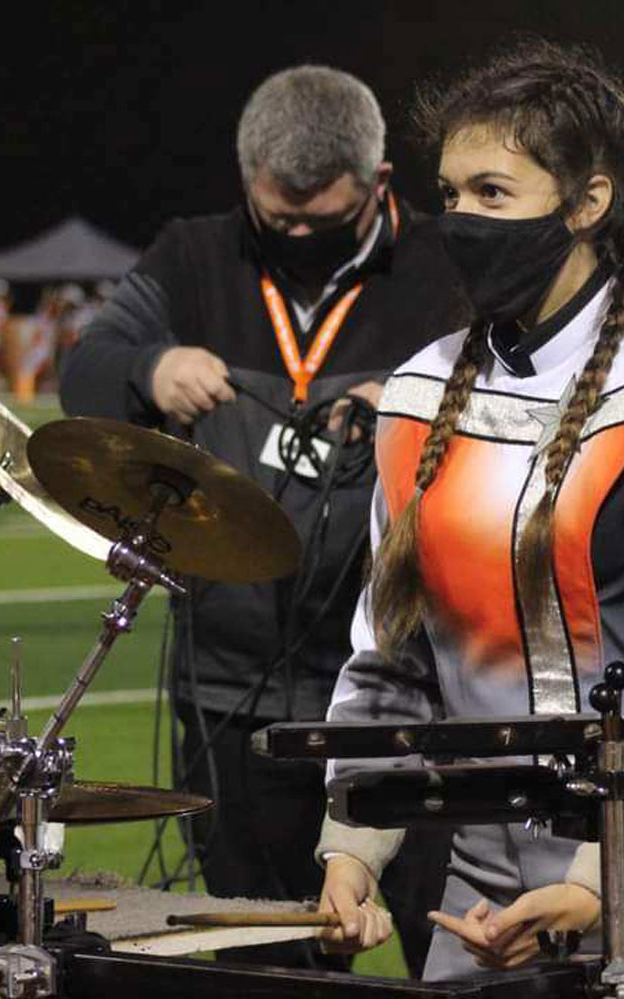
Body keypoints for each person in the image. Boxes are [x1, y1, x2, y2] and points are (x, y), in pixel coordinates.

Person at [312, 41, 624, 978]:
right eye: (450, 195)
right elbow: (389, 656)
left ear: (588, 202)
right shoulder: (415, 395)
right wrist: (350, 850)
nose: (462, 219)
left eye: (493, 192)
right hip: (477, 890)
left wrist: (599, 882)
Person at [58, 65, 463, 976]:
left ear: (379, 184)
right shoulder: (193, 253)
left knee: (458, 955)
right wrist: (150, 369)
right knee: (265, 965)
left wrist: (422, 393)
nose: (297, 240)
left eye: (323, 223)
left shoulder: (442, 265)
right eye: (277, 219)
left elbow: (524, 391)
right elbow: (84, 369)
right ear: (246, 178)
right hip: (232, 692)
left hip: (414, 688)